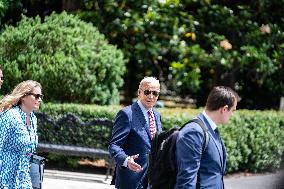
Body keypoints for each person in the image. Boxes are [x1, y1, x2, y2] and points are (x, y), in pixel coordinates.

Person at [175, 86, 240, 189]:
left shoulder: (210, 129)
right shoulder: (194, 132)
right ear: (224, 109)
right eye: (233, 110)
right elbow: (186, 181)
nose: (233, 114)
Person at [109, 76, 163, 189]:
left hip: (151, 181)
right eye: (147, 92)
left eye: (155, 93)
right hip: (131, 180)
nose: (151, 96)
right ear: (139, 92)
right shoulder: (126, 114)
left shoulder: (157, 115)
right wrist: (126, 160)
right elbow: (114, 146)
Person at [0, 80, 43, 188]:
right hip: (5, 179)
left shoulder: (33, 119)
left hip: (24, 180)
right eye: (36, 96)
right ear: (23, 97)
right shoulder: (10, 116)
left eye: (41, 96)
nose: (40, 99)